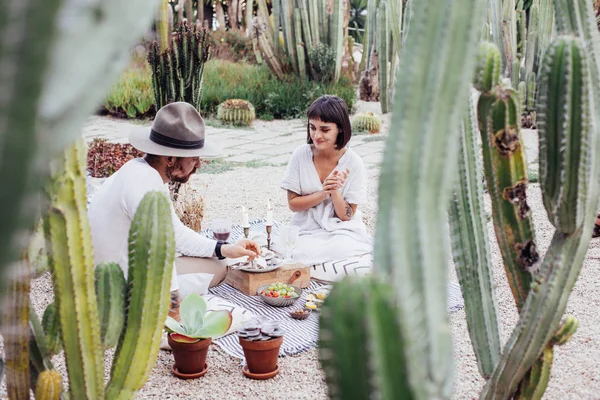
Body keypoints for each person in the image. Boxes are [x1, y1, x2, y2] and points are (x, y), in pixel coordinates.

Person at [88, 102, 261, 319]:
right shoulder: (145, 183)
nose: (198, 164)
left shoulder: (141, 171)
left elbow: (175, 233)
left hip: (113, 273)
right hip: (117, 289)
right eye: (194, 158)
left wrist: (224, 249)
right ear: (170, 159)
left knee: (220, 262)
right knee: (218, 270)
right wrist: (175, 312)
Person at [279, 95, 372, 266]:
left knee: (340, 248)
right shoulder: (300, 155)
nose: (316, 135)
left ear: (340, 129)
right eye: (312, 127)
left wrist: (335, 191)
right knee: (286, 248)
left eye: (325, 129)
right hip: (305, 228)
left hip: (340, 230)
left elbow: (346, 216)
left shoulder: (354, 163)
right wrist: (323, 193)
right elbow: (293, 204)